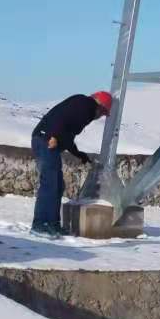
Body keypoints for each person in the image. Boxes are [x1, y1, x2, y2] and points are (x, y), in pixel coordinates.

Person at [30, 91, 113, 238]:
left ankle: (52, 224)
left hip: (47, 140)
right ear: (99, 104)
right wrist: (53, 135)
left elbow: (68, 135)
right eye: (103, 112)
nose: (100, 116)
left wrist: (79, 154)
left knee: (57, 185)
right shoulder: (86, 104)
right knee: (50, 183)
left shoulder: (83, 108)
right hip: (46, 140)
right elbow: (61, 117)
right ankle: (40, 225)